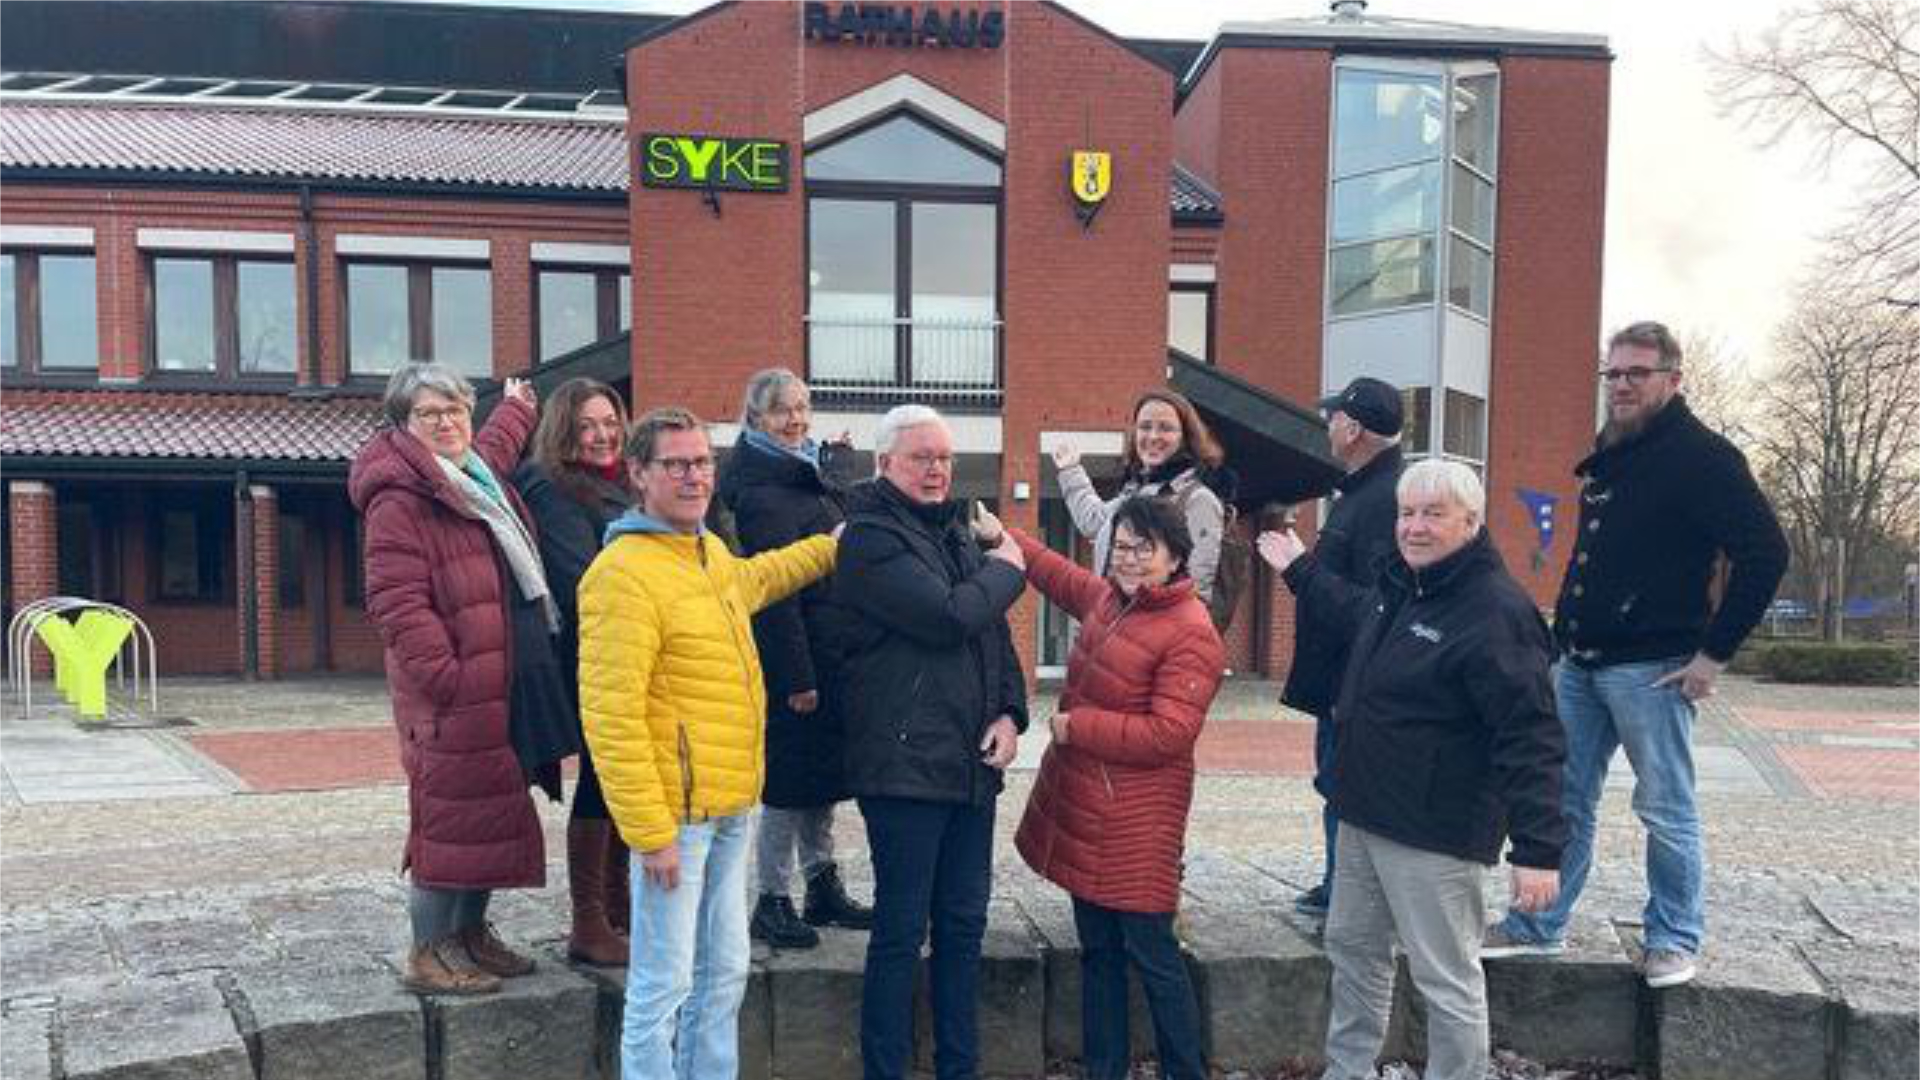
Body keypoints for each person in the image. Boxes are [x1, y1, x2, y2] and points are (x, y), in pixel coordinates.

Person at [1484, 321, 1788, 989]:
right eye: (1613, 373)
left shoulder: (1705, 458)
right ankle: (1540, 924)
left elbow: (1767, 553)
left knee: (1665, 806)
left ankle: (1674, 938)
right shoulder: (1615, 448)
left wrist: (1714, 654)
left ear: (1673, 380)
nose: (1620, 384)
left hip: (1654, 669)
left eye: (1636, 373)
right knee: (1561, 797)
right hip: (1580, 663)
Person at [1259, 458, 1567, 1080]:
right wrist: (1299, 569)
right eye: (1406, 513)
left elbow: (1531, 735)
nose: (1415, 527)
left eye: (1433, 514)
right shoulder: (1400, 587)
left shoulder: (1495, 612)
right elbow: (1349, 612)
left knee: (1445, 976)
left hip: (1436, 831)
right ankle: (1349, 1070)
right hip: (1363, 816)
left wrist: (1539, 848)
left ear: (1472, 522)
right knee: (1355, 954)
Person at [577, 406, 840, 1080]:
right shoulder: (622, 573)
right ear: (639, 473)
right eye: (677, 464)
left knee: (723, 973)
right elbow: (611, 717)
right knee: (662, 985)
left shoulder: (709, 555)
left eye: (702, 462)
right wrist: (649, 831)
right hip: (677, 823)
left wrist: (835, 544)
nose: (695, 476)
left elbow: (761, 578)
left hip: (729, 808)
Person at [350, 363, 575, 996]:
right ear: (403, 424)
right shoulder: (401, 497)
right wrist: (445, 678)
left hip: (499, 683)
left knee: (491, 814)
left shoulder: (471, 474)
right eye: (430, 413)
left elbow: (494, 445)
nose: (448, 423)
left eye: (456, 410)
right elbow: (396, 602)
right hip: (454, 694)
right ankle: (428, 950)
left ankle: (471, 935)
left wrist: (517, 410)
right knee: (448, 822)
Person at [980, 497, 1223, 1080]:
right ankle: (1104, 1068)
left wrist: (1076, 726)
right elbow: (1060, 576)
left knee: (1154, 956)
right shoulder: (1113, 601)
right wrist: (1003, 535)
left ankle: (1184, 1070)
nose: (1130, 558)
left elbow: (1170, 733)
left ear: (1175, 558)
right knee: (1099, 954)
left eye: (1145, 548)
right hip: (1092, 811)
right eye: (1122, 544)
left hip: (1139, 822)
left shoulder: (1191, 631)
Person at [834, 404, 1029, 1080]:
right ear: (885, 463)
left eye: (944, 457)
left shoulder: (954, 533)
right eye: (922, 457)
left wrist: (1009, 714)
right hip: (904, 767)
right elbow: (951, 618)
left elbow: (993, 639)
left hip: (970, 766)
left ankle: (958, 1067)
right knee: (899, 932)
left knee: (963, 928)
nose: (937, 469)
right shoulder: (867, 539)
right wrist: (1011, 565)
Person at [716, 368, 871, 950]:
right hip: (796, 660)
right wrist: (796, 676)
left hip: (829, 652)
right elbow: (773, 595)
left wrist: (840, 474)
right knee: (786, 785)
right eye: (782, 410)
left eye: (803, 407)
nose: (796, 419)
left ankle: (821, 883)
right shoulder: (758, 489)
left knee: (821, 778)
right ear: (756, 417)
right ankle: (772, 898)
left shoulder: (804, 473)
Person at [512, 377, 633, 967]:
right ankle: (590, 919)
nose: (603, 434)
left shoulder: (621, 485)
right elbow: (581, 579)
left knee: (618, 778)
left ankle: (619, 905)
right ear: (563, 429)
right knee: (603, 775)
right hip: (590, 655)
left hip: (625, 650)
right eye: (588, 425)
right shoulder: (553, 485)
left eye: (610, 422)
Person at [1284, 376, 1406, 919]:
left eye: (1334, 417)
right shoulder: (1363, 492)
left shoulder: (1383, 501)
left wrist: (1297, 568)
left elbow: (1375, 609)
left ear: (1353, 429)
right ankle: (1338, 883)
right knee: (1334, 784)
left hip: (1351, 683)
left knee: (1344, 787)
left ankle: (1349, 893)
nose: (1327, 424)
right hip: (1338, 679)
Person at [1050, 389, 1229, 605]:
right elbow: (1093, 521)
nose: (1153, 436)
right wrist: (1071, 470)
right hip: (1112, 622)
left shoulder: (1197, 500)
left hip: (1156, 632)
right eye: (1145, 427)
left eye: (1166, 428)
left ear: (1186, 437)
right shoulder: (1136, 491)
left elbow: (1198, 589)